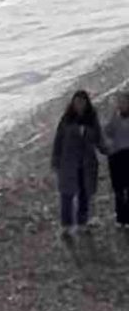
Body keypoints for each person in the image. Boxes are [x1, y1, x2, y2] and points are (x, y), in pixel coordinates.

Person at [52, 89, 106, 236]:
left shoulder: (92, 119)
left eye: (82, 102)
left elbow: (99, 139)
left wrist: (108, 150)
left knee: (84, 193)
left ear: (87, 104)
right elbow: (58, 141)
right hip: (68, 163)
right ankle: (66, 225)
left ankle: (83, 222)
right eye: (76, 102)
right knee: (66, 195)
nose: (79, 105)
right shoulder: (66, 119)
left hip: (87, 163)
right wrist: (55, 161)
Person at [104, 90, 129, 229]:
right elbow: (106, 132)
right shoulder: (114, 117)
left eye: (125, 102)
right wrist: (112, 117)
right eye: (120, 102)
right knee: (118, 189)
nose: (122, 104)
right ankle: (121, 217)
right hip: (116, 155)